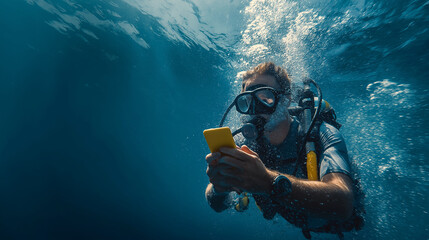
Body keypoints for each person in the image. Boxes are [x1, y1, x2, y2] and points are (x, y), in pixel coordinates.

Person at [204, 62, 364, 239]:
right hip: (304, 223)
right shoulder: (246, 145)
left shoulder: (320, 133)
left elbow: (343, 204)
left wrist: (267, 181)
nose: (255, 110)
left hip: (346, 223)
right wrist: (220, 188)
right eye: (247, 101)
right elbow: (217, 205)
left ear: (286, 99)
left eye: (265, 98)